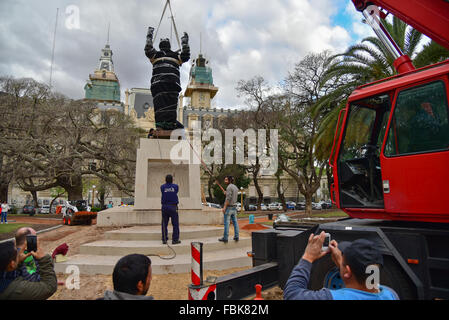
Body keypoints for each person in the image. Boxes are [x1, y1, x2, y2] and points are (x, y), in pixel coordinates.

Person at [283, 232, 399, 300]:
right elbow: (369, 284)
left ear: (348, 271)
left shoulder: (332, 297)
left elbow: (291, 294)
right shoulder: (390, 294)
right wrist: (343, 267)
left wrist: (308, 257)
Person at [218, 176, 239, 243]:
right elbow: (231, 196)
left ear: (229, 180)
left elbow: (228, 198)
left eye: (226, 179)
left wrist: (224, 207)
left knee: (226, 223)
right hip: (234, 207)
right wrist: (226, 193)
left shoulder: (229, 187)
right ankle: (236, 236)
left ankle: (225, 238)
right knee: (235, 223)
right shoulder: (235, 187)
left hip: (229, 208)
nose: (225, 180)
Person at [160, 174, 180, 245]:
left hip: (164, 207)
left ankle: (164, 239)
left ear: (165, 180)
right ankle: (175, 239)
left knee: (164, 224)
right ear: (172, 180)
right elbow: (176, 192)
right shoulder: (176, 187)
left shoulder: (162, 187)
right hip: (173, 207)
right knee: (175, 224)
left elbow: (163, 192)